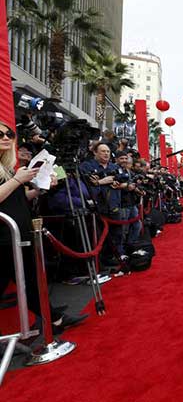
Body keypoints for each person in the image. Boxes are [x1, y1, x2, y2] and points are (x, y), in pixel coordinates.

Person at [0, 121, 86, 333]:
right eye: (0, 134)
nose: (5, 138)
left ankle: (53, 318)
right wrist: (18, 180)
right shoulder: (13, 174)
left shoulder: (7, 169)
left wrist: (40, 189)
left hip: (19, 235)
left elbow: (18, 199)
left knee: (30, 281)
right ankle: (53, 319)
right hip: (3, 238)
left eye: (9, 134)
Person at [79, 143, 125, 267]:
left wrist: (120, 184)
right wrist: (101, 182)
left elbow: (124, 181)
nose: (106, 154)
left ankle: (116, 257)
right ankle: (99, 264)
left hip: (114, 205)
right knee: (99, 237)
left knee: (117, 234)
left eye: (108, 152)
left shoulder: (114, 166)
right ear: (95, 152)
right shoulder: (86, 166)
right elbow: (85, 186)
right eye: (103, 151)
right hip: (97, 208)